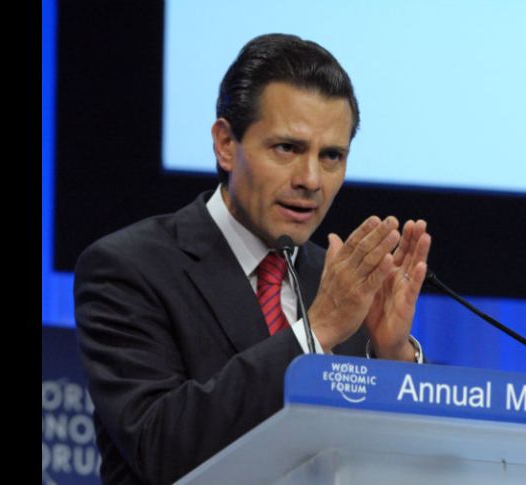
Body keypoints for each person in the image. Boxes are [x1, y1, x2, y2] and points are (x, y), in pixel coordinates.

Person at [74, 33, 431, 485]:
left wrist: (392, 357)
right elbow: (161, 448)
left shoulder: (341, 284)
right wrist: (315, 333)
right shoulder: (128, 269)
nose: (311, 179)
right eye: (287, 148)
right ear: (226, 144)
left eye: (331, 156)